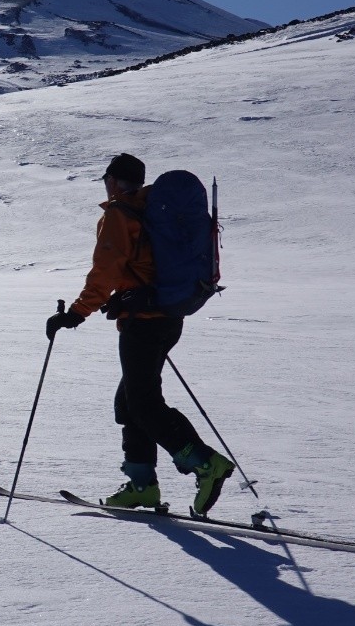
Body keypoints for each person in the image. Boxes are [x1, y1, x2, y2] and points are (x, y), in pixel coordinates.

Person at [45, 153, 236, 516]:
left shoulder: (121, 215)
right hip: (167, 316)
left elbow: (105, 270)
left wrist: (75, 314)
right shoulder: (153, 209)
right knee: (131, 400)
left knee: (143, 403)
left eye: (107, 179)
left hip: (144, 321)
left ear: (114, 181)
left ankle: (205, 463)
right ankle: (141, 485)